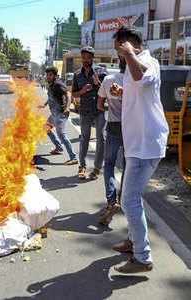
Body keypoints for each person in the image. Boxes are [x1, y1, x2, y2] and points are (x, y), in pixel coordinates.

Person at [111, 27, 169, 274]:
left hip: (146, 145)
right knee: (130, 197)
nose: (118, 54)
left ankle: (143, 257)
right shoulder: (134, 64)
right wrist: (122, 92)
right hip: (137, 143)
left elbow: (141, 78)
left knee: (129, 199)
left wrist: (129, 55)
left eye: (119, 48)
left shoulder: (148, 61)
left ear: (128, 44)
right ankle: (134, 242)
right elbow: (139, 89)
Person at [97, 58, 126, 226]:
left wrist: (110, 107)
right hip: (131, 128)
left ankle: (111, 200)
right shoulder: (134, 82)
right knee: (128, 165)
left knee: (109, 164)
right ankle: (124, 200)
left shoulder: (108, 80)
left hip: (114, 126)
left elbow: (100, 105)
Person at [72, 46, 106, 180]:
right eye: (83, 57)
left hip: (99, 110)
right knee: (84, 138)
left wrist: (98, 83)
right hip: (85, 110)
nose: (85, 60)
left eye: (88, 57)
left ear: (92, 58)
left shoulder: (101, 71)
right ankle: (82, 166)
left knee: (100, 139)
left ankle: (97, 168)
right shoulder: (77, 75)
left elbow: (108, 89)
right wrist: (82, 91)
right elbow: (74, 93)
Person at [39, 67, 78, 165]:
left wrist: (67, 108)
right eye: (47, 75)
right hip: (54, 114)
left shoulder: (58, 84)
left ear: (55, 76)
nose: (48, 77)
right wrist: (44, 104)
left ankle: (73, 157)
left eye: (50, 75)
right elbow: (52, 97)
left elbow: (68, 94)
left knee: (61, 135)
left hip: (60, 113)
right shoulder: (51, 85)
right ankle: (59, 147)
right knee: (46, 128)